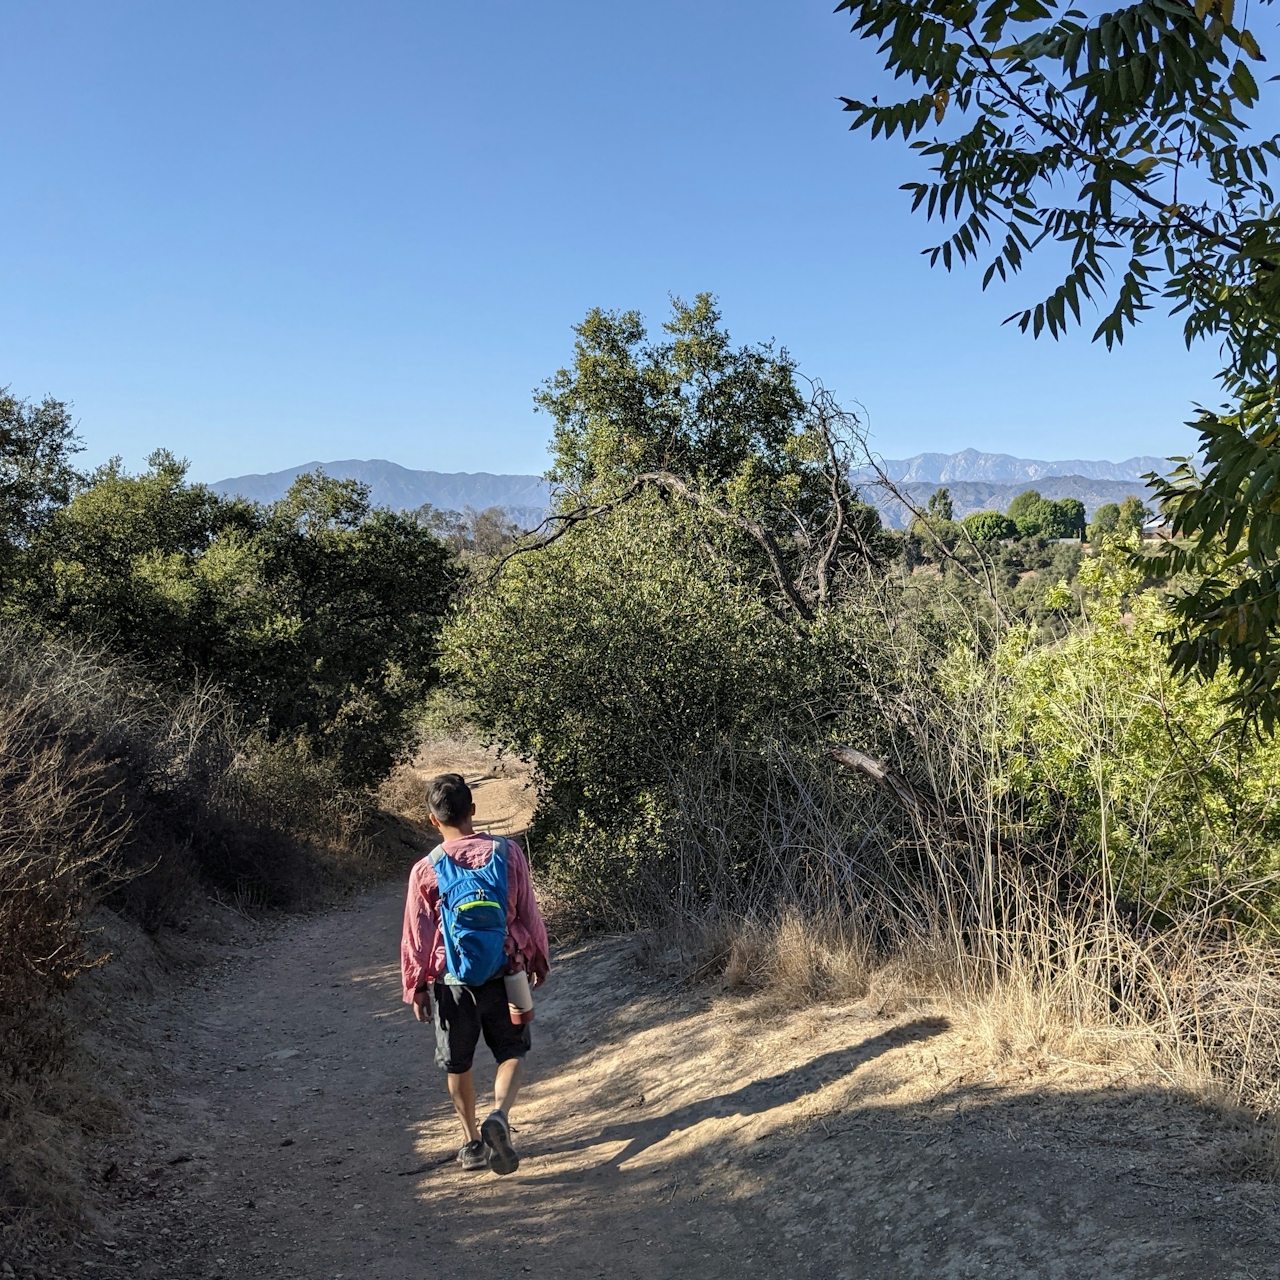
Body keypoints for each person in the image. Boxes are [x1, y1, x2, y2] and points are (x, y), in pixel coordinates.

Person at [400, 772, 550, 1175]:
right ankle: (499, 1115)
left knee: (457, 1064)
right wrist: (538, 958)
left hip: (453, 983)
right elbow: (528, 913)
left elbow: (417, 934)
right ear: (473, 811)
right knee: (513, 1052)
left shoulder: (426, 870)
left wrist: (414, 986)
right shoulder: (509, 853)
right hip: (509, 973)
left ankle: (470, 1143)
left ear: (433, 820)